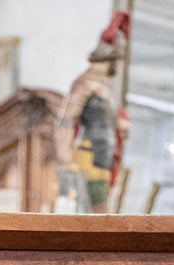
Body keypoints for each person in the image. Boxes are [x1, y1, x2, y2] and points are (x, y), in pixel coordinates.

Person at [54, 10, 130, 213]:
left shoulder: (107, 86)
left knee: (99, 216)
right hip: (88, 159)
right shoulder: (85, 83)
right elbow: (66, 120)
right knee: (90, 216)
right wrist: (65, 158)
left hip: (103, 158)